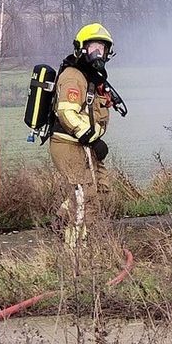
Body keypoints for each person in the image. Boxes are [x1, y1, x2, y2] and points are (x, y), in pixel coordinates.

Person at [49, 22, 118, 248]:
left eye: (102, 49)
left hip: (84, 144)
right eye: (93, 48)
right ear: (81, 49)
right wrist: (92, 138)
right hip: (70, 144)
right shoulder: (73, 76)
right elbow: (66, 112)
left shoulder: (91, 77)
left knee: (101, 188)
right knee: (84, 197)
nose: (98, 54)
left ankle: (59, 223)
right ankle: (77, 251)